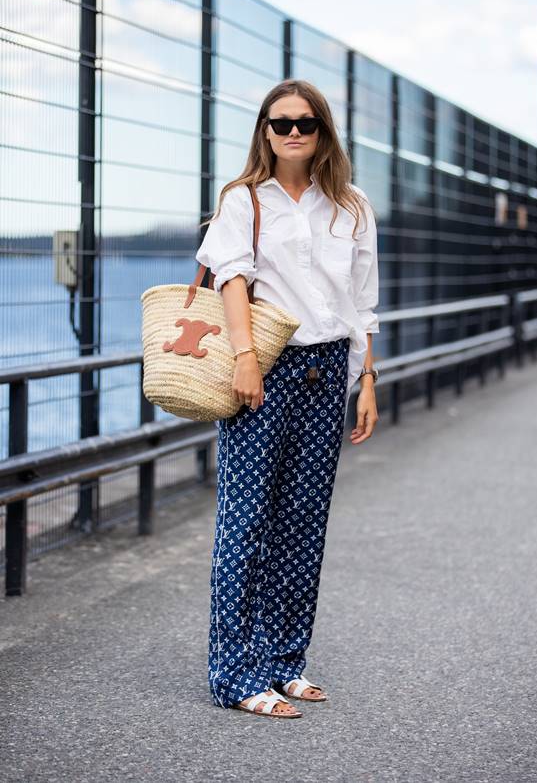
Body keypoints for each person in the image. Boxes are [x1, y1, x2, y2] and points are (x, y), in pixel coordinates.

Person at [196, 78, 380, 718]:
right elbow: (232, 279)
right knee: (246, 523)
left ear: (324, 131)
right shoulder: (244, 201)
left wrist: (367, 381)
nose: (294, 132)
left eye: (307, 123)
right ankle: (234, 674)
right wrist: (246, 359)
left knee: (303, 526)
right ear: (264, 131)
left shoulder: (351, 205)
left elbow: (362, 303)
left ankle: (282, 661)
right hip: (266, 365)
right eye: (281, 123)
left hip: (330, 370)